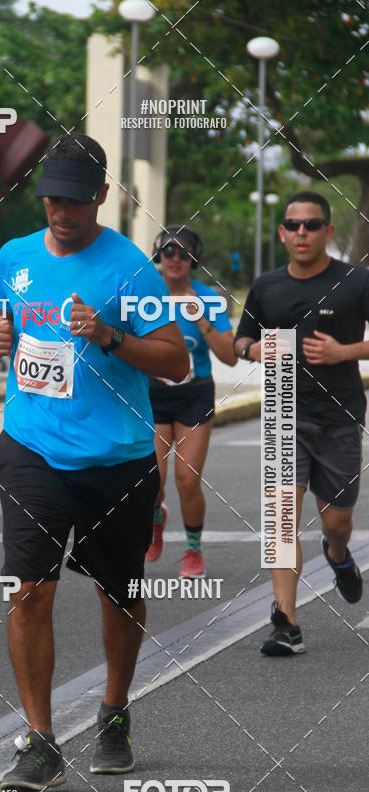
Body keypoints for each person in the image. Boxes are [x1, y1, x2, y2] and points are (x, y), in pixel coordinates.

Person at [0, 134, 189, 792]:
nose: (62, 212)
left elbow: (175, 360)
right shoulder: (14, 256)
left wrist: (109, 335)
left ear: (101, 195)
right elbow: (14, 332)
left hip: (116, 462)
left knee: (120, 597)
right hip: (32, 449)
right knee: (27, 591)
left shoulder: (131, 270)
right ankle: (40, 741)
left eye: (75, 200)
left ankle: (114, 711)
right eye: (52, 199)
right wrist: (1, 339)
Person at [235, 190, 368, 655]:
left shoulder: (356, 281)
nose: (302, 233)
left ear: (328, 232)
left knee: (337, 521)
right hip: (284, 410)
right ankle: (285, 622)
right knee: (281, 519)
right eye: (293, 225)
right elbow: (241, 340)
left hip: (340, 414)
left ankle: (337, 554)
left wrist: (343, 352)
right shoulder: (267, 286)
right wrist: (253, 349)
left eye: (312, 225)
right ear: (282, 233)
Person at [145, 225, 237, 575]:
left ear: (193, 260)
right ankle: (155, 519)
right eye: (168, 251)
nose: (176, 259)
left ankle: (193, 550)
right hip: (152, 394)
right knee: (151, 481)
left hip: (194, 395)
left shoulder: (207, 298)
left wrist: (200, 318)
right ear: (159, 255)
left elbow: (229, 357)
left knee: (187, 479)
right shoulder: (144, 294)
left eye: (184, 253)